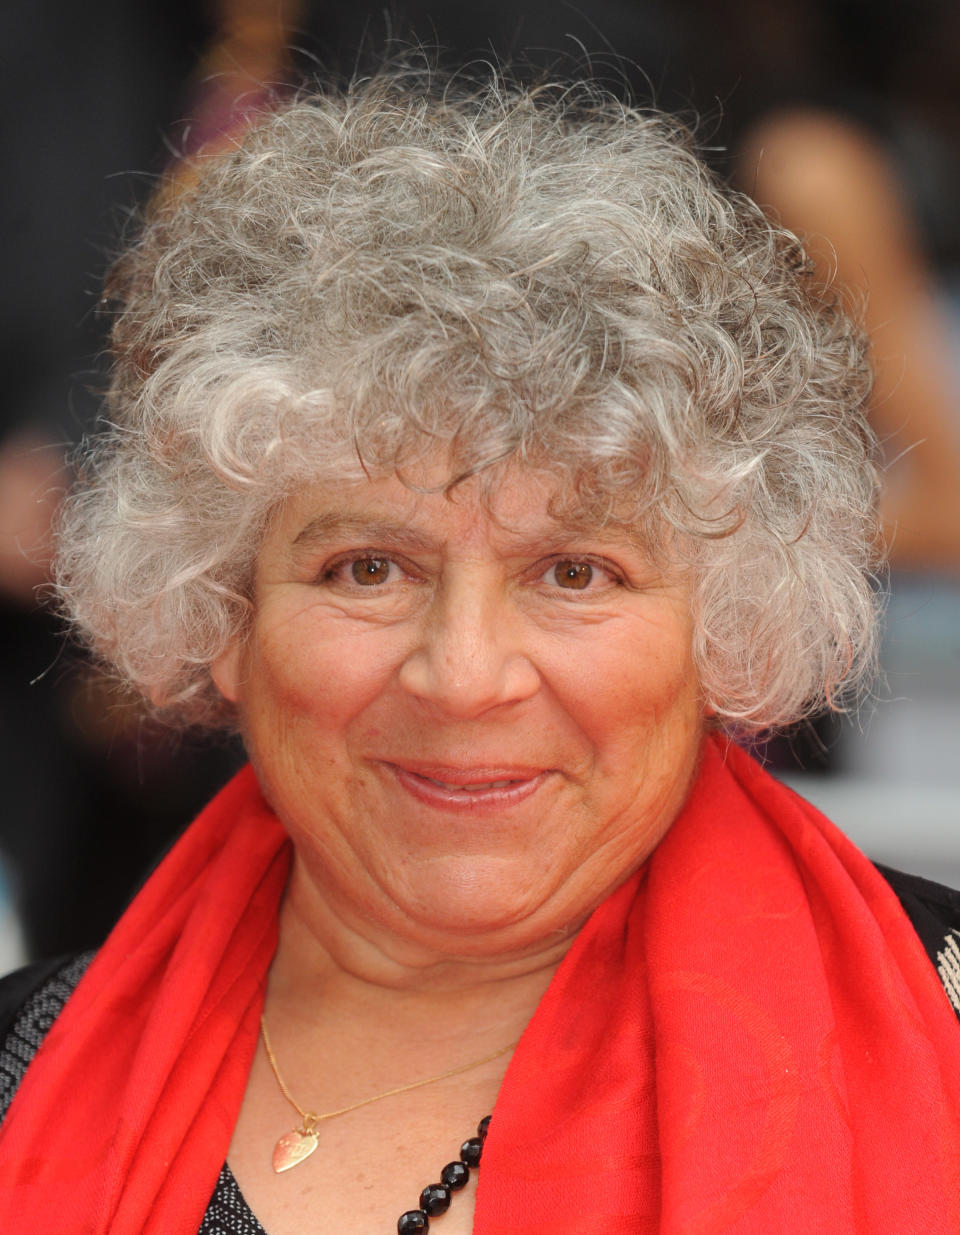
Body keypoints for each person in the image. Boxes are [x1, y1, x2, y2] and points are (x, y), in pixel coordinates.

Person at [2, 70, 959, 1234]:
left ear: (725, 629)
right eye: (368, 567)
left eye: (575, 572)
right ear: (223, 618)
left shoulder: (940, 1027)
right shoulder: (26, 1064)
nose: (463, 675)